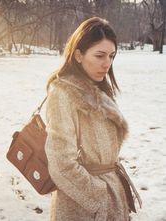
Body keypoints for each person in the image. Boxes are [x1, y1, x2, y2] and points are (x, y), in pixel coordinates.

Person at [44, 17, 142, 221]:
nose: (107, 64)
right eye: (99, 55)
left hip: (112, 197)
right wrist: (100, 197)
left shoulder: (99, 88)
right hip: (82, 207)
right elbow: (61, 164)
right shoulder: (63, 93)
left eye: (111, 56)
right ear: (78, 55)